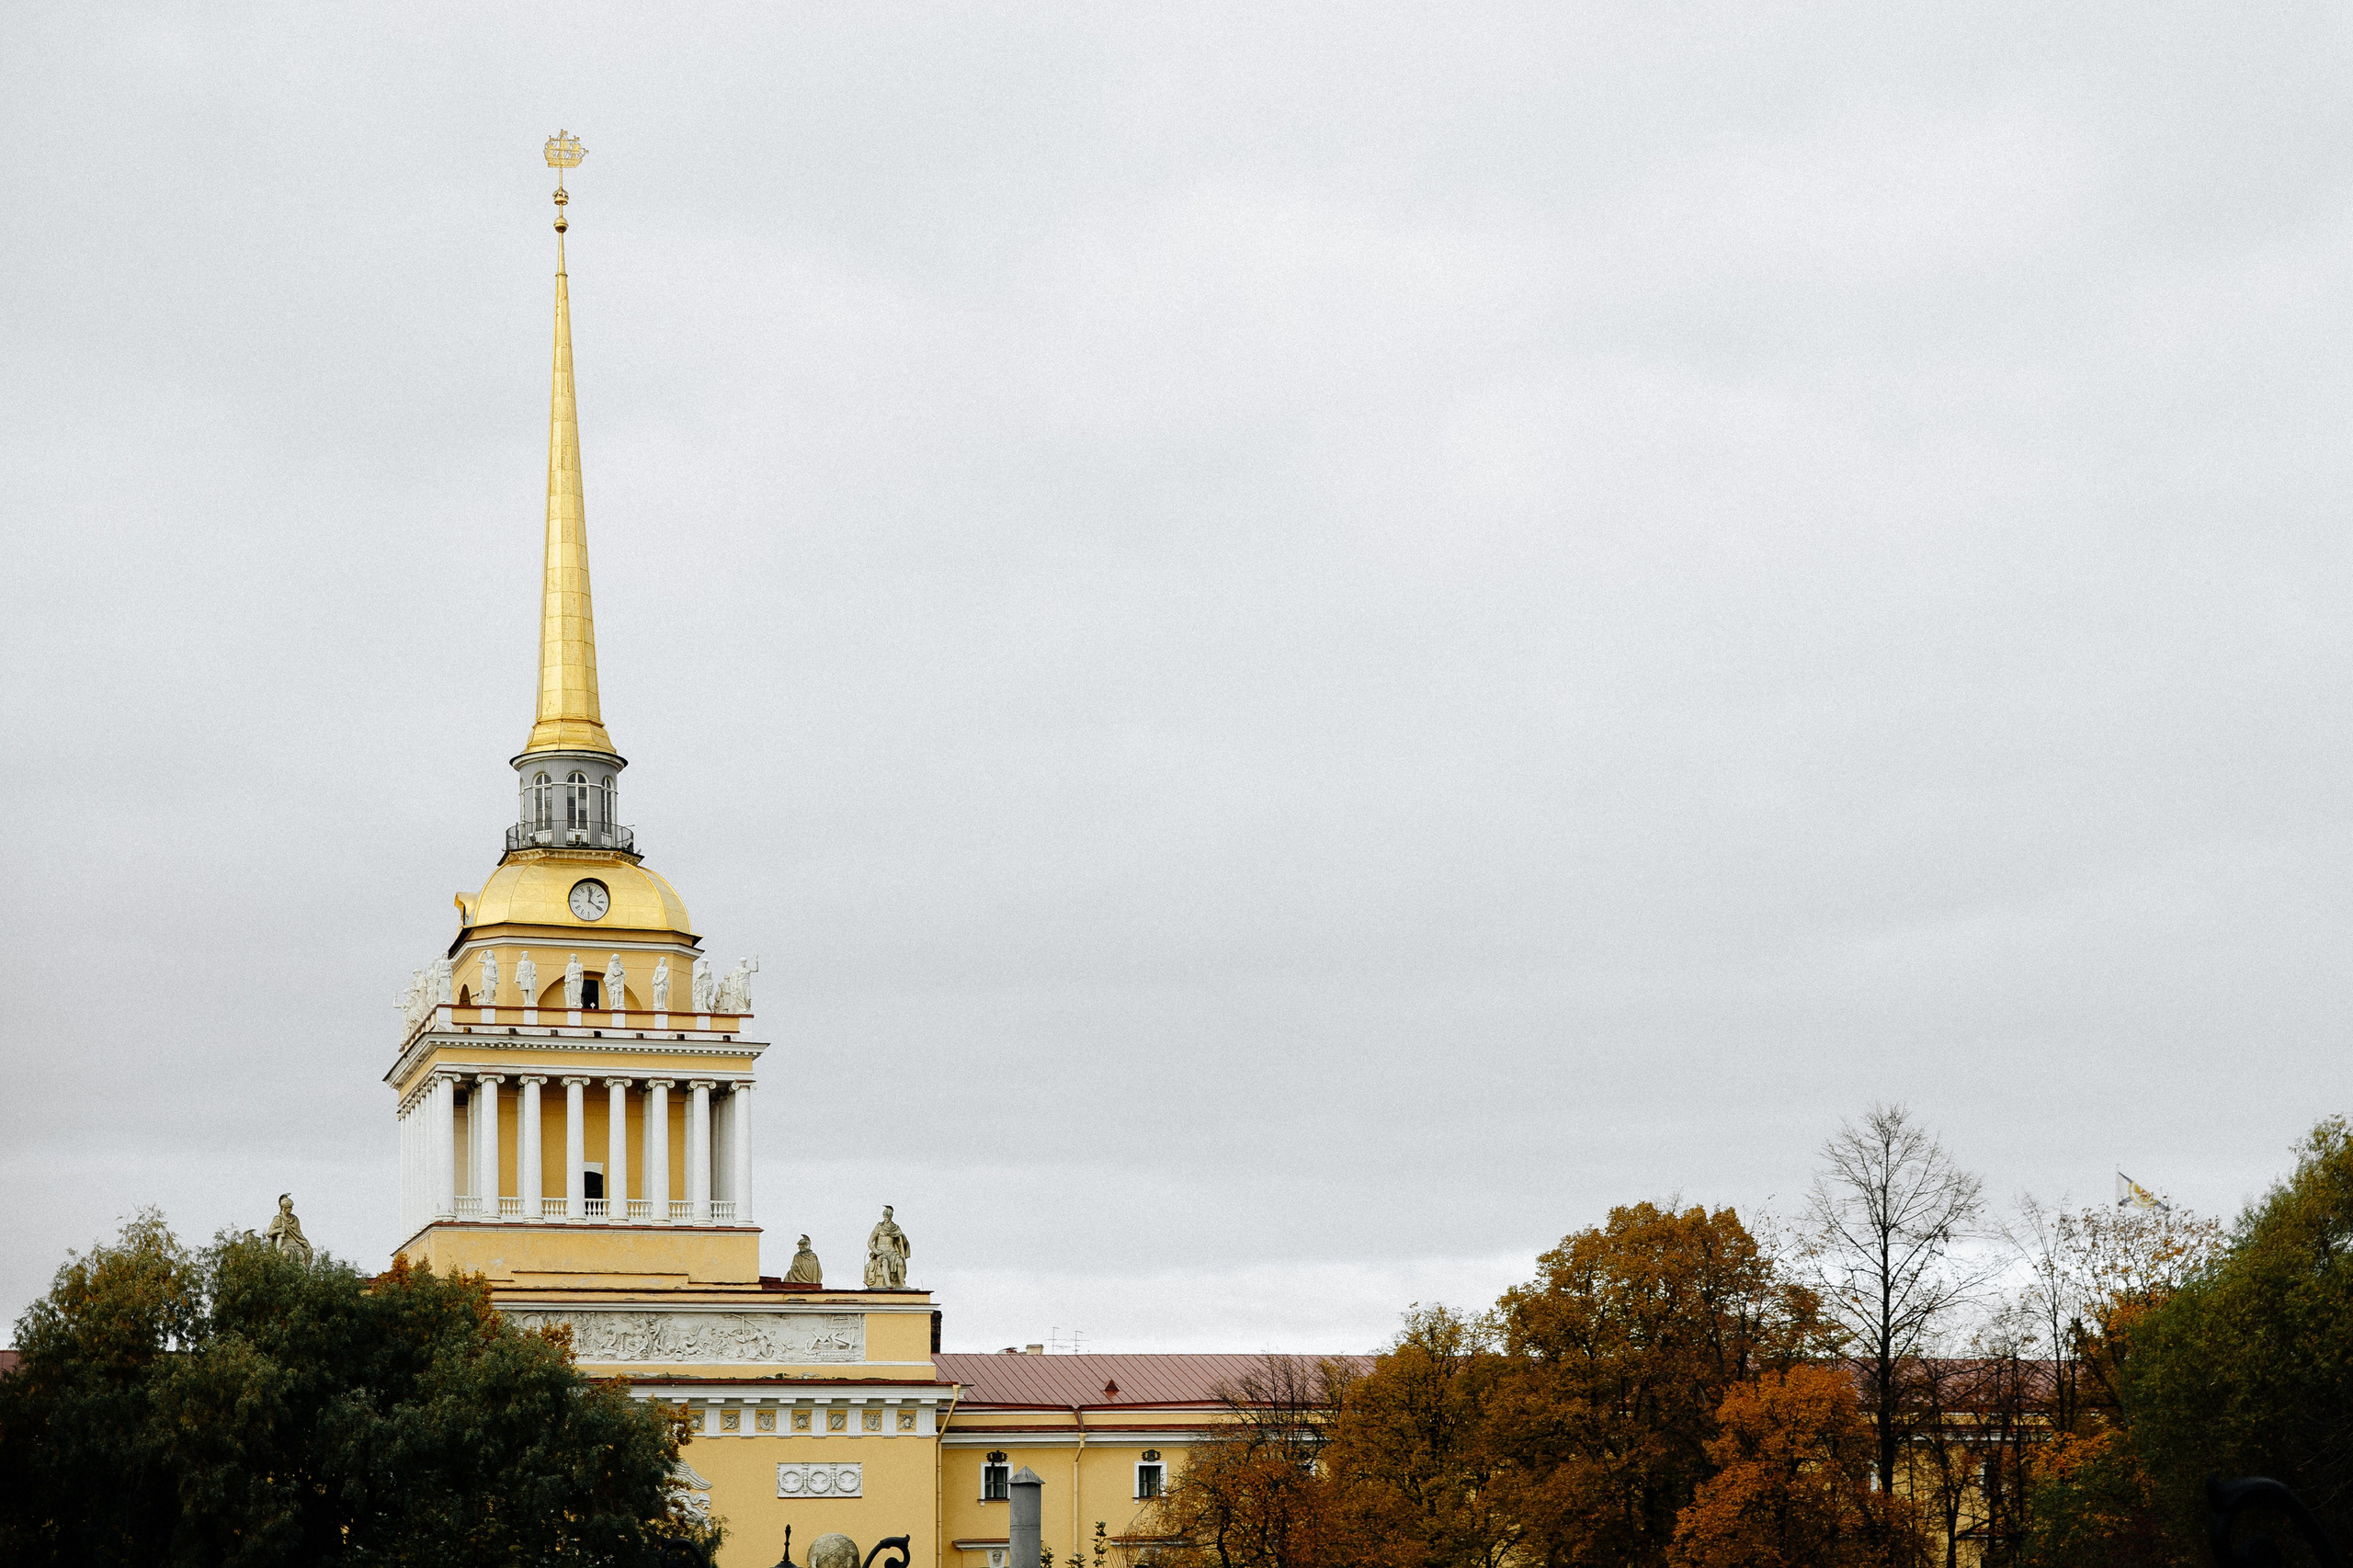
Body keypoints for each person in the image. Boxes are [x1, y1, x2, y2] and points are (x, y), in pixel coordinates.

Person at [864, 1205, 910, 1289]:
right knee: (884, 1262)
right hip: (881, 1251)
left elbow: (902, 1242)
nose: (885, 1217)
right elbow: (870, 1242)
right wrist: (876, 1251)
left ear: (891, 1216)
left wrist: (903, 1237)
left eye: (887, 1215)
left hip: (892, 1251)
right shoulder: (879, 1227)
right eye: (884, 1215)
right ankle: (888, 1283)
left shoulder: (895, 1228)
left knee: (900, 1262)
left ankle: (902, 1283)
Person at [264, 1194, 313, 1264]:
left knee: (301, 1255)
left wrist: (307, 1245)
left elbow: (299, 1234)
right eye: (289, 1207)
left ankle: (302, 1274)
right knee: (285, 1254)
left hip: (295, 1242)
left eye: (291, 1207)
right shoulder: (278, 1218)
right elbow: (269, 1233)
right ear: (284, 1208)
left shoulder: (295, 1219)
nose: (291, 1209)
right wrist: (279, 1230)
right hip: (284, 1243)